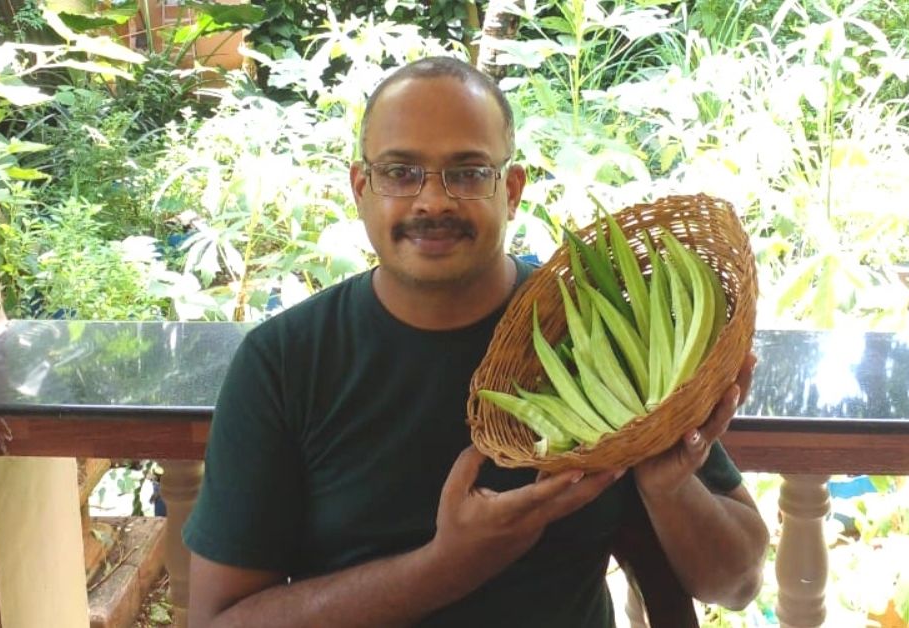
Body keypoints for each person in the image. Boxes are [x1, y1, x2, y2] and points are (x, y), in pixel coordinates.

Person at [183, 56, 769, 628]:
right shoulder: (285, 362)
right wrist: (445, 567)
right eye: (400, 171)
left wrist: (670, 489)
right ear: (361, 187)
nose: (433, 201)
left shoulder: (592, 324)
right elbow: (218, 618)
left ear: (511, 190)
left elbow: (737, 585)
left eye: (467, 173)